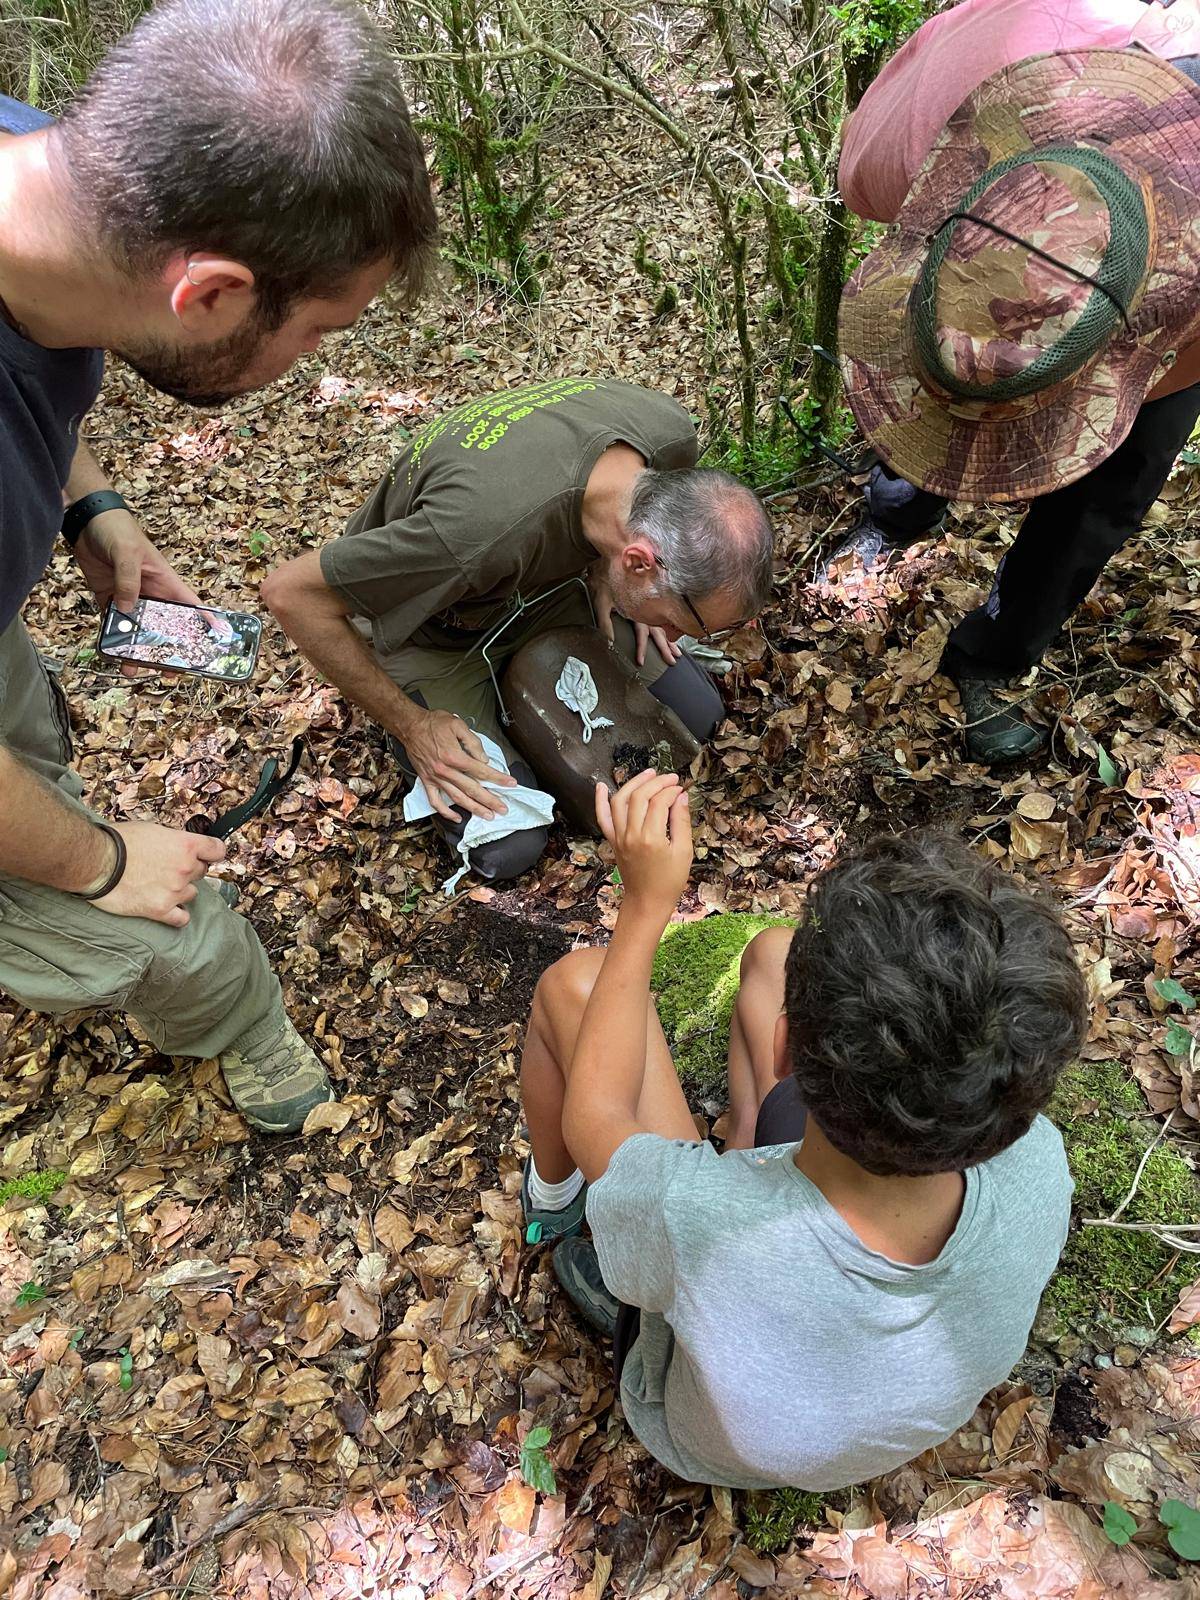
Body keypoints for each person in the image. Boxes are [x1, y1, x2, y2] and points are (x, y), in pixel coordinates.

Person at [0, 0, 437, 1132]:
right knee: (146, 912)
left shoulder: (53, 175)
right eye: (321, 335)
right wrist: (100, 863)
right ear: (213, 294)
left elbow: (41, 335)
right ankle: (235, 1016)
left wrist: (87, 502)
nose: (309, 362)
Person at [518, 785, 1088, 1490]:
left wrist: (642, 909)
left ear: (785, 1052)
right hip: (867, 1415)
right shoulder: (1035, 1160)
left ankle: (551, 1203)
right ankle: (755, 1151)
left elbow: (594, 1117)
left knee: (574, 984)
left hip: (705, 1438)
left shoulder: (695, 1219)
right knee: (769, 955)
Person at [831, 0, 1200, 765]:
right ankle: (897, 509)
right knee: (947, 362)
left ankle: (991, 656)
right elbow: (871, 184)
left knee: (1105, 491)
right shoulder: (994, 74)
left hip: (1176, 326)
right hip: (1009, 189)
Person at [263, 377, 775, 882]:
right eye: (682, 621)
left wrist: (610, 578)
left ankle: (514, 714)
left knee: (702, 716)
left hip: (545, 589)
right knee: (510, 847)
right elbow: (290, 595)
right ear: (642, 561)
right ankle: (454, 716)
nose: (676, 631)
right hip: (434, 630)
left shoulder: (666, 435)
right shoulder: (469, 535)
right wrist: (412, 726)